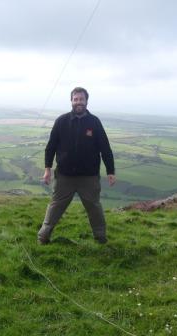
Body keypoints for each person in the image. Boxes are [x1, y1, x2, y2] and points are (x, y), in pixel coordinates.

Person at [38, 87, 116, 244]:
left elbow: (105, 148)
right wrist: (47, 169)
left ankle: (101, 238)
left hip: (89, 177)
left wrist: (110, 171)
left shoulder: (94, 122)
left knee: (94, 207)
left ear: (86, 101)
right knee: (55, 206)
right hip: (65, 176)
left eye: (81, 99)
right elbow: (51, 147)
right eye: (76, 99)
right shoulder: (61, 121)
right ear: (71, 101)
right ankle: (43, 236)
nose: (79, 102)